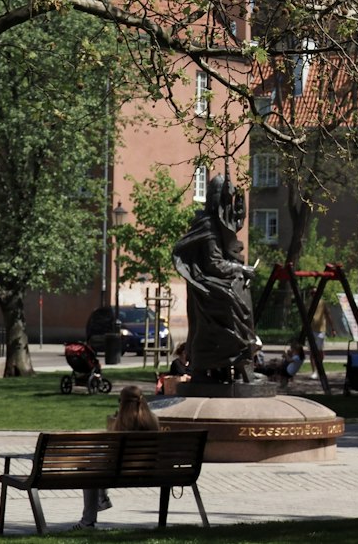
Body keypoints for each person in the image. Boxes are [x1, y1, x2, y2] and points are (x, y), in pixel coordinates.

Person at [172, 173, 260, 383]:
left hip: (216, 278)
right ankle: (238, 353)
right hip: (207, 281)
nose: (228, 205)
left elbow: (231, 230)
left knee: (240, 293)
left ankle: (238, 358)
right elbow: (214, 264)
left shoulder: (216, 222)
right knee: (236, 301)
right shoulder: (208, 226)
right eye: (226, 200)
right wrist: (243, 270)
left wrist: (241, 208)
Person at [73, 385, 158, 530]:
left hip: (119, 473)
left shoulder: (122, 425)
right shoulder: (153, 421)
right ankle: (101, 500)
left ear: (123, 403)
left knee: (88, 468)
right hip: (149, 472)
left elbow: (111, 456)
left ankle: (89, 519)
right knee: (96, 465)